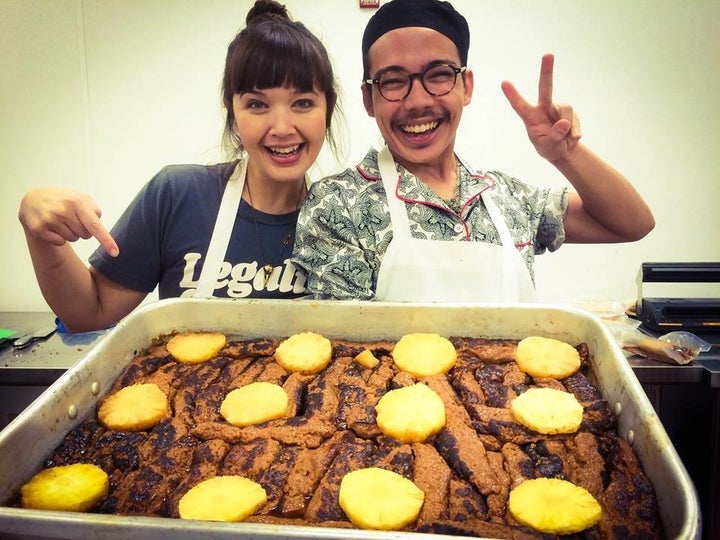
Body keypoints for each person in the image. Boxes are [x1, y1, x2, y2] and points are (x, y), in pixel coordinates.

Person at [292, 0, 655, 303]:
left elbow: (632, 223)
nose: (418, 101)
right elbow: (348, 355)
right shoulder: (337, 205)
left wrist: (564, 155)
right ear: (369, 99)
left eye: (438, 74)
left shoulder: (509, 198)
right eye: (393, 81)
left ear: (466, 86)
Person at [18, 0, 341, 332]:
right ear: (233, 112)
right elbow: (89, 312)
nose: (282, 127)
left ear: (327, 111)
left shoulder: (345, 223)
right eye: (257, 104)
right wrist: (40, 231)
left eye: (303, 103)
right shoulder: (178, 196)